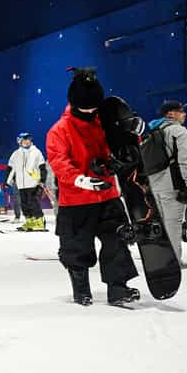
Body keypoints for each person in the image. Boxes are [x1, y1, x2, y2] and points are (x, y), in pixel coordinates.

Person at [46, 67, 139, 306]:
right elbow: (59, 162)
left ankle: (118, 289)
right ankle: (81, 289)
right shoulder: (59, 131)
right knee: (76, 247)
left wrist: (134, 131)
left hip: (108, 195)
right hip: (76, 199)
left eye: (93, 107)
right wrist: (82, 180)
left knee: (116, 240)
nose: (89, 111)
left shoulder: (104, 121)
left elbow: (122, 144)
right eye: (84, 107)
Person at [143, 100, 187, 267]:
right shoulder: (178, 131)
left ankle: (161, 256)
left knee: (161, 222)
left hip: (155, 183)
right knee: (173, 223)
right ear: (170, 114)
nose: (184, 114)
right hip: (172, 184)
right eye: (180, 111)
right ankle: (173, 260)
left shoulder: (154, 129)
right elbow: (185, 160)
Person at [5, 132, 48, 231]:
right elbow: (11, 168)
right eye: (24, 140)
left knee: (33, 203)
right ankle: (30, 221)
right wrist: (8, 181)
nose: (27, 142)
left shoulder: (36, 152)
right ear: (19, 141)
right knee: (24, 204)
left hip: (33, 183)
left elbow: (42, 168)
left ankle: (39, 222)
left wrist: (42, 181)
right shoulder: (16, 154)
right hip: (21, 184)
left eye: (28, 140)